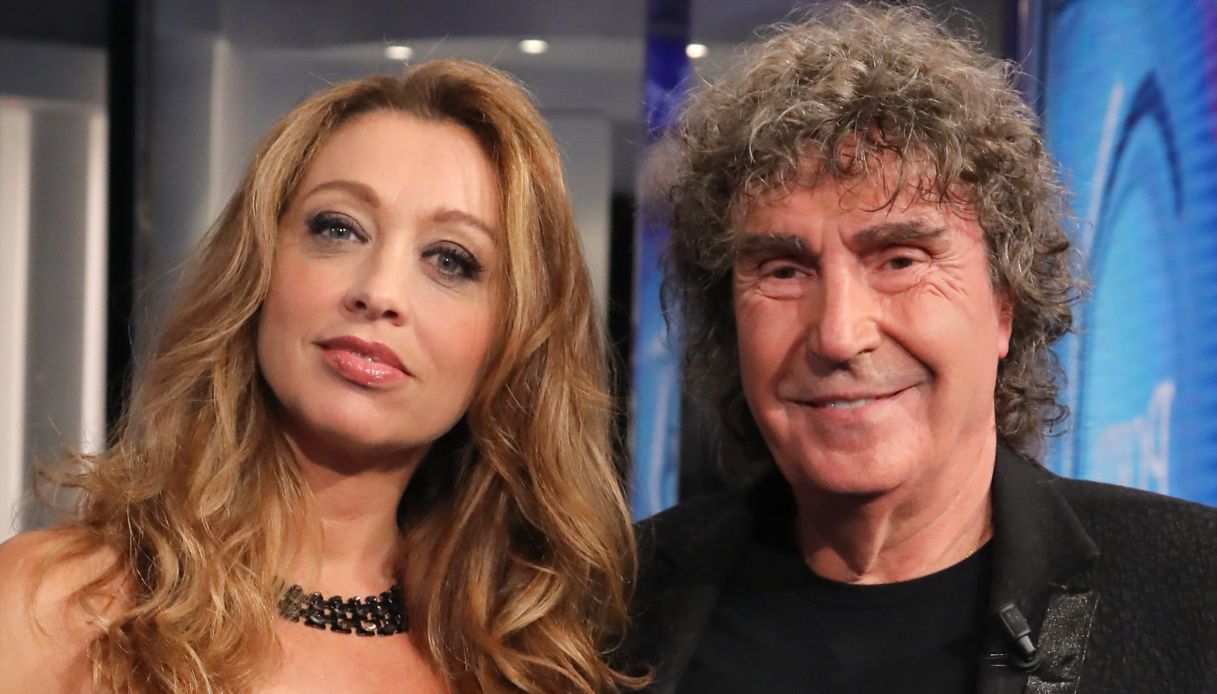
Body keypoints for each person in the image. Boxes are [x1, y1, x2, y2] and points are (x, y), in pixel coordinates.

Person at [622, 4, 1217, 693]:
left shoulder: (1193, 587)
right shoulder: (616, 601)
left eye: (900, 260)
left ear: (1005, 301)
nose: (840, 334)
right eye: (784, 271)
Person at [0, 59, 641, 693]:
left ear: (512, 339)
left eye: (450, 260)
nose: (379, 291)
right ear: (259, 266)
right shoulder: (54, 604)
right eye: (339, 228)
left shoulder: (528, 666)